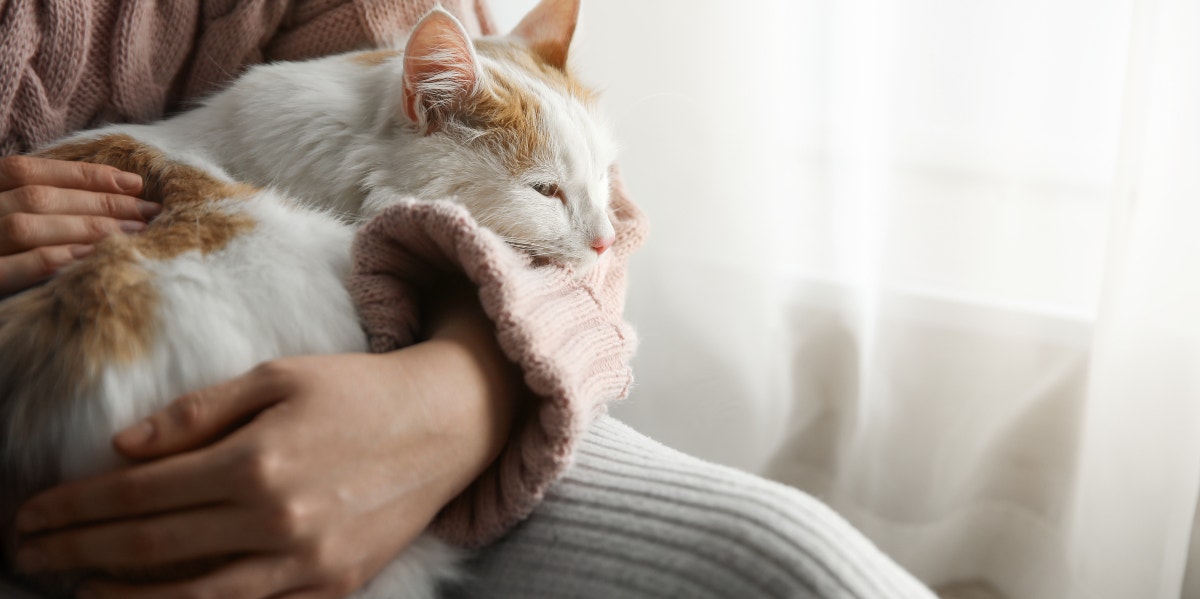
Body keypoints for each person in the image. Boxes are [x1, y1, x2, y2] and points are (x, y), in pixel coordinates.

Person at [0, 1, 937, 597]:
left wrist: (459, 395)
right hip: (123, 371)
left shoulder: (422, 64)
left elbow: (597, 252)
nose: (604, 223)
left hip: (459, 386)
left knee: (792, 563)